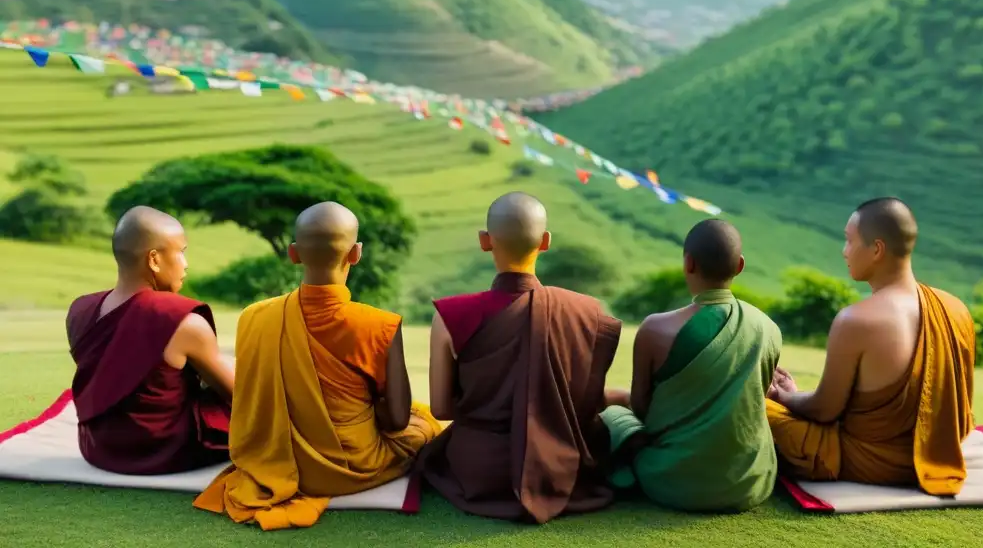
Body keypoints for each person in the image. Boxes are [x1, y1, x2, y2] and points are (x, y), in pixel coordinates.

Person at [194, 202, 441, 530]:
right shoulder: (377, 325)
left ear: (293, 254)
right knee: (423, 423)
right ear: (356, 253)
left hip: (271, 462)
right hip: (351, 467)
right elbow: (396, 421)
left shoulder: (254, 317)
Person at [417, 192, 622, 524]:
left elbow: (441, 409)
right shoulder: (586, 312)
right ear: (545, 242)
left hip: (481, 469)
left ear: (485, 241)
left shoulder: (451, 315)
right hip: (560, 467)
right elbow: (587, 405)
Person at [767, 198, 976, 495]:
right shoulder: (955, 308)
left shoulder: (856, 320)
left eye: (849, 241)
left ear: (876, 249)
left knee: (749, 404)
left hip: (869, 461)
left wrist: (784, 397)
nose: (844, 251)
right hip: (937, 453)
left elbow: (826, 411)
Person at [600, 219, 781, 512]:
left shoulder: (655, 328)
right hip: (749, 483)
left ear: (688, 263)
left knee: (612, 414)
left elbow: (643, 410)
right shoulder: (767, 327)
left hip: (670, 481)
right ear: (740, 265)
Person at [65, 206, 233, 475]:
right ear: (154, 259)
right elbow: (240, 397)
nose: (186, 264)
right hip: (163, 449)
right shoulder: (183, 320)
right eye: (181, 252)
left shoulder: (79, 310)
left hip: (99, 448)